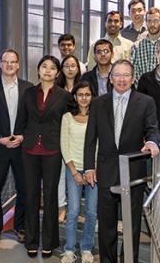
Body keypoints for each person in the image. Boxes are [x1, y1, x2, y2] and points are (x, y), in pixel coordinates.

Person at [84, 59, 160, 263]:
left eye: (126, 75)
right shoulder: (99, 103)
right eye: (117, 75)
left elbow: (152, 129)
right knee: (107, 223)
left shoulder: (145, 102)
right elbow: (90, 138)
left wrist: (152, 143)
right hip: (106, 170)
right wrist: (89, 167)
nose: (122, 79)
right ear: (110, 78)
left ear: (133, 78)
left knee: (131, 223)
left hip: (133, 172)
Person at [15, 55, 71, 259]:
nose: (48, 70)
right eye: (44, 67)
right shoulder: (28, 93)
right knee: (30, 196)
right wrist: (17, 137)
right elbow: (21, 120)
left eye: (52, 67)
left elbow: (70, 123)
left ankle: (49, 242)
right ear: (38, 70)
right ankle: (31, 241)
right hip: (29, 150)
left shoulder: (64, 96)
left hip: (53, 150)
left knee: (50, 197)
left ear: (57, 73)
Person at [0, 49, 33, 245]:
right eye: (6, 61)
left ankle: (20, 227)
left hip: (21, 147)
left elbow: (32, 119)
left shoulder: (29, 88)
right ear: (0, 64)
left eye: (13, 62)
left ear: (18, 65)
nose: (10, 65)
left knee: (24, 189)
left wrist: (23, 137)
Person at [60, 81, 97, 263]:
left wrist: (94, 168)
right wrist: (74, 172)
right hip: (73, 169)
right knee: (73, 211)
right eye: (80, 94)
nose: (83, 98)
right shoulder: (67, 117)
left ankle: (87, 248)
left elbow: (100, 145)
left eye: (87, 95)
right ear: (75, 96)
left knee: (91, 212)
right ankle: (69, 250)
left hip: (94, 171)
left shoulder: (97, 116)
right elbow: (64, 146)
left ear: (92, 96)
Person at [56, 54, 82, 223]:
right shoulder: (57, 90)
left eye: (73, 65)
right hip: (60, 135)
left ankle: (76, 209)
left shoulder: (84, 87)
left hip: (79, 136)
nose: (70, 69)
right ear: (61, 69)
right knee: (60, 174)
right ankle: (61, 206)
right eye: (66, 66)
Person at [132, 7, 160, 81]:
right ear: (146, 23)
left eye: (156, 21)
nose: (152, 24)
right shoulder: (136, 46)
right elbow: (134, 72)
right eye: (149, 21)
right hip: (142, 91)